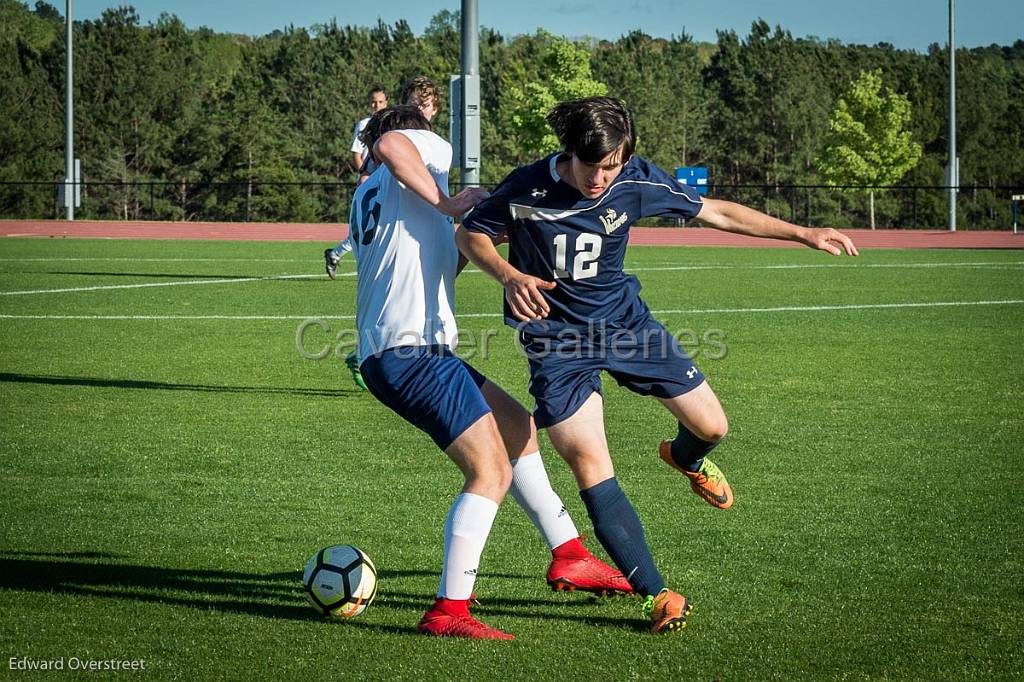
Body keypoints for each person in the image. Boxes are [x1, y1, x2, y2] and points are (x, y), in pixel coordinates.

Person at [456, 96, 859, 634]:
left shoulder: (635, 178)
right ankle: (656, 593)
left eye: (612, 166)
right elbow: (470, 233)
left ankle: (685, 457)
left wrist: (804, 233)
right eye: (591, 165)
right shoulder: (525, 187)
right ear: (569, 151)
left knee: (713, 426)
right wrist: (508, 275)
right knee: (591, 465)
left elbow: (715, 210)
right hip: (557, 346)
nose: (602, 178)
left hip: (629, 328)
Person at [350, 105, 631, 640]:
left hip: (407, 349)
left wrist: (476, 229)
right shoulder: (411, 156)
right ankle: (449, 611)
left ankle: (569, 553)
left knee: (518, 428)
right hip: (411, 351)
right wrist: (449, 199)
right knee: (490, 473)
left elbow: (436, 262)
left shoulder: (378, 194)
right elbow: (392, 147)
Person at [324, 84, 389, 283]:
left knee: (378, 226)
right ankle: (362, 265)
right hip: (369, 182)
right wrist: (366, 178)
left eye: (380, 102)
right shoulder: (364, 124)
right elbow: (356, 154)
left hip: (386, 182)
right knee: (366, 226)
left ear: (386, 103)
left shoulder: (391, 123)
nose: (376, 105)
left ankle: (335, 254)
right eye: (373, 102)